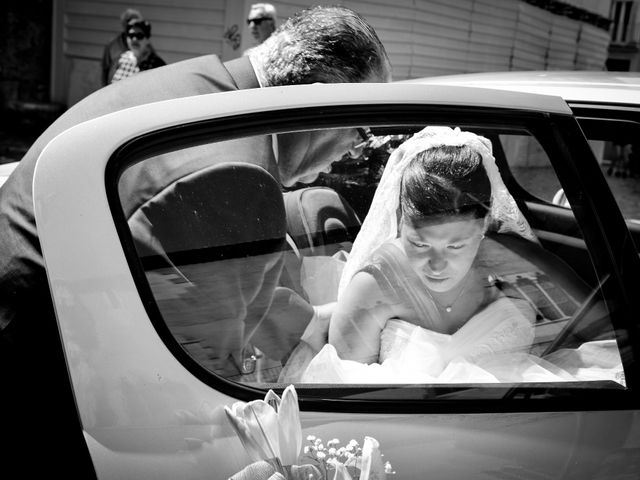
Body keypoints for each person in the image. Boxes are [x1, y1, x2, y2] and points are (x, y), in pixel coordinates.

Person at [0, 5, 391, 476]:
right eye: (361, 129)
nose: (354, 150)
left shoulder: (196, 83)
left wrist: (313, 320)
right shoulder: (237, 178)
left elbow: (203, 281)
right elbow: (201, 378)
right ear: (317, 99)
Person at [296, 127, 624, 384]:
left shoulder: (515, 262)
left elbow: (609, 335)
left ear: (483, 227)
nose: (436, 265)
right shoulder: (374, 284)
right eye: (420, 244)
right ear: (400, 224)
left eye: (456, 246)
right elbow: (345, 392)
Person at [110, 18, 166, 83]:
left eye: (139, 36)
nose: (134, 39)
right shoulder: (119, 59)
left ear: (147, 39)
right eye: (131, 35)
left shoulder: (158, 65)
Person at [101, 8, 143, 86]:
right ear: (124, 25)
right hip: (114, 86)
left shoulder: (143, 44)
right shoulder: (112, 45)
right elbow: (105, 69)